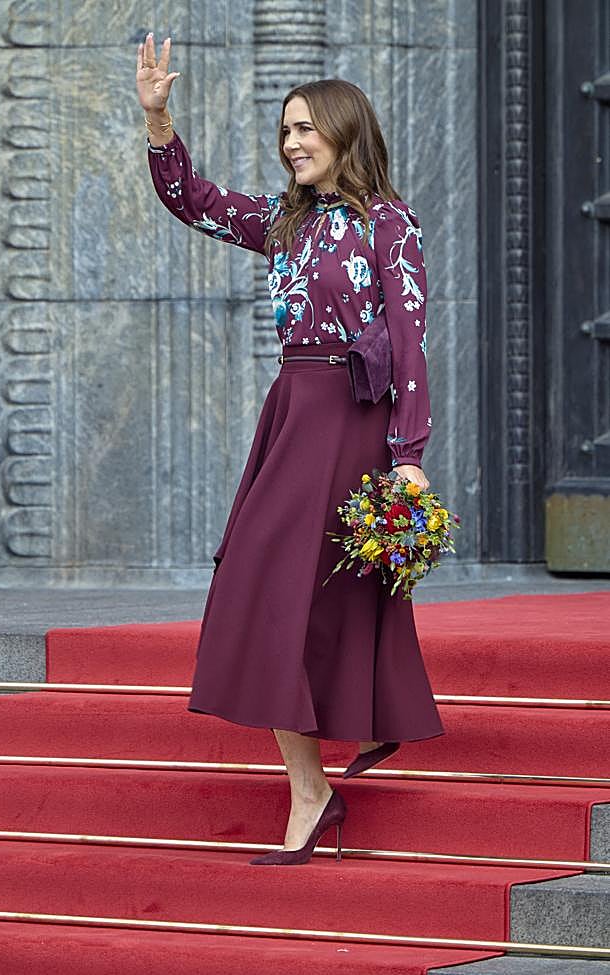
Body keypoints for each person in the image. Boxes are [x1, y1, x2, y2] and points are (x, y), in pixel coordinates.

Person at [136, 32, 445, 866]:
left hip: (354, 419)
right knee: (260, 584)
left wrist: (408, 451)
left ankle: (328, 776)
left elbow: (410, 340)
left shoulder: (390, 224)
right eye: (284, 132)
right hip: (293, 414)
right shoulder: (288, 221)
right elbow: (194, 200)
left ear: (346, 132)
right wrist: (160, 121)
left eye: (305, 128)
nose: (291, 143)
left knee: (327, 589)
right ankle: (313, 786)